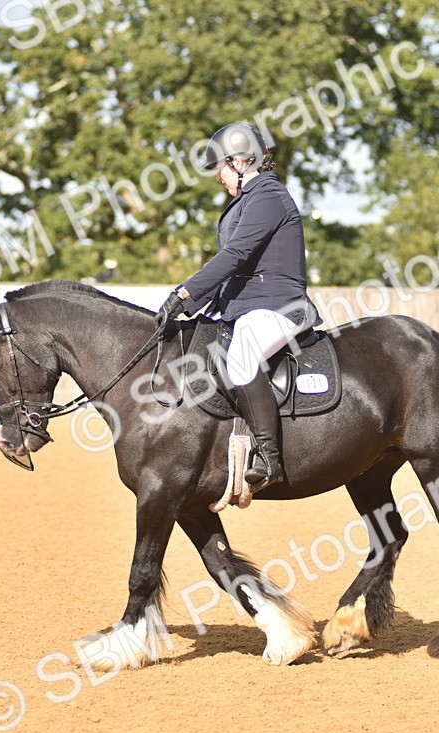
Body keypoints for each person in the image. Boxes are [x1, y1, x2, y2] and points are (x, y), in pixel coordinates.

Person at [154, 122, 322, 493]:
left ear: (241, 160)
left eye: (221, 167)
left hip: (278, 304)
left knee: (243, 355)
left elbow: (236, 255)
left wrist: (185, 293)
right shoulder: (245, 200)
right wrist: (187, 306)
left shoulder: (268, 196)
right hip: (244, 305)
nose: (218, 177)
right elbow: (232, 268)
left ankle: (269, 458)